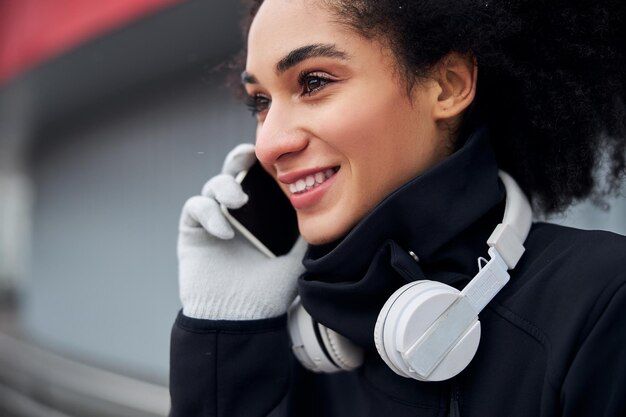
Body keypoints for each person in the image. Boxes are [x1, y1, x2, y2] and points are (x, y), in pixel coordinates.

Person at [169, 0, 626, 416]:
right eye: (261, 102)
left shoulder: (601, 303)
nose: (268, 145)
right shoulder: (298, 348)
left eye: (313, 82)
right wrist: (224, 334)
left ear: (447, 86)